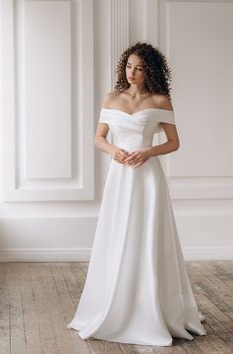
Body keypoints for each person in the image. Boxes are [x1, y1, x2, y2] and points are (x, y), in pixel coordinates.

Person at [67, 42, 207, 347]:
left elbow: (174, 142)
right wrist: (115, 151)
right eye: (129, 66)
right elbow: (99, 138)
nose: (132, 72)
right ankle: (114, 304)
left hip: (147, 178)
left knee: (148, 236)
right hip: (120, 177)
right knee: (118, 233)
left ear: (150, 71)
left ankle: (154, 308)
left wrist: (147, 151)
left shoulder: (161, 100)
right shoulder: (111, 98)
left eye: (140, 68)